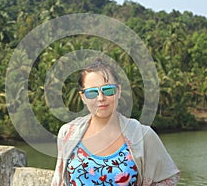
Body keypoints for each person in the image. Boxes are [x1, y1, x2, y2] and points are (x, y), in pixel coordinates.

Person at [51, 58, 180, 186]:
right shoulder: (68, 133)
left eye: (108, 90)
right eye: (92, 93)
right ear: (83, 97)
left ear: (118, 91)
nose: (101, 98)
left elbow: (168, 178)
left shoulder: (142, 135)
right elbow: (59, 180)